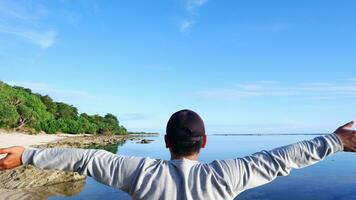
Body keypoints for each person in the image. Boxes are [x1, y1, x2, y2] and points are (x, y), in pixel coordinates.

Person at [0, 109, 355, 200]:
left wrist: (27, 154)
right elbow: (281, 159)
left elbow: (86, 159)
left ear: (166, 143)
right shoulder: (227, 176)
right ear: (205, 142)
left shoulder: (139, 173)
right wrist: (336, 141)